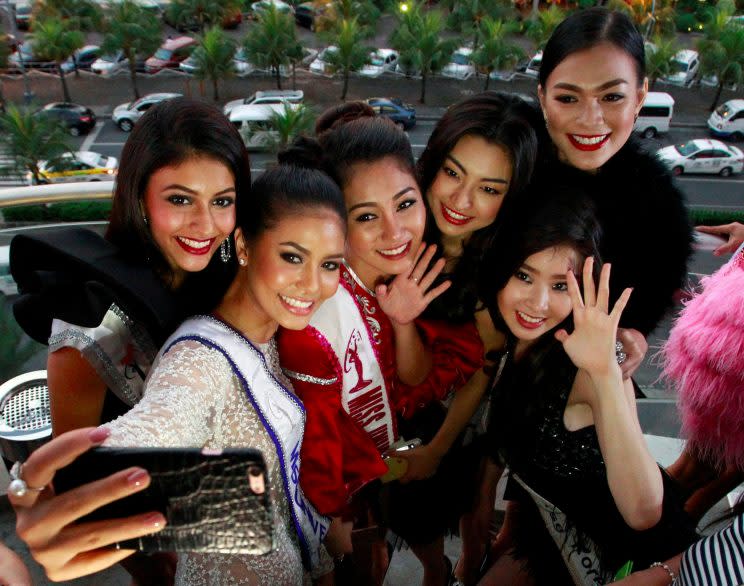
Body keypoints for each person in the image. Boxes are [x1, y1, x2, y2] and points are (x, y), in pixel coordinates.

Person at [8, 159, 348, 585]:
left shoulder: (275, 334)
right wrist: (64, 490)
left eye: (330, 264)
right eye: (292, 257)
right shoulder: (201, 359)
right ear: (243, 245)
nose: (312, 284)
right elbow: (162, 421)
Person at [276, 106, 484, 585]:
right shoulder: (313, 310)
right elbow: (317, 447)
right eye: (367, 216)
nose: (395, 232)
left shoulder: (408, 277)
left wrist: (403, 322)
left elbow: (413, 381)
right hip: (332, 496)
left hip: (380, 469)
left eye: (406, 204)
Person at [477, 185, 698, 585]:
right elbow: (524, 458)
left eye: (561, 286)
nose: (537, 302)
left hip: (644, 566)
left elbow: (644, 511)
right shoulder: (513, 342)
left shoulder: (585, 367)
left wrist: (605, 374)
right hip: (557, 538)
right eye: (523, 275)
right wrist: (507, 535)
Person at [11, 97, 248, 435]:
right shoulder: (90, 321)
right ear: (140, 198)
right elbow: (71, 471)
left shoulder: (232, 272)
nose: (206, 225)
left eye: (222, 201)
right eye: (180, 200)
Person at [613, 227, 744, 585]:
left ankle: (645, 557)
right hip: (737, 344)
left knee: (711, 472)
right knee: (701, 471)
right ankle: (637, 557)